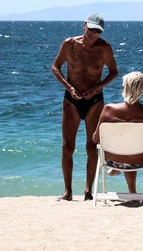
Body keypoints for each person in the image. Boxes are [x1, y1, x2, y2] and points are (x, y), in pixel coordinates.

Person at [51, 13, 118, 201]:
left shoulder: (104, 48)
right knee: (67, 146)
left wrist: (97, 88)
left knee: (92, 146)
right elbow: (55, 67)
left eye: (97, 31)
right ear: (84, 26)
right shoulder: (69, 44)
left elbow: (114, 72)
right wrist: (69, 87)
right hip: (71, 100)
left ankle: (88, 191)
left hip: (94, 101)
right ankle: (67, 191)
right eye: (91, 29)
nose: (93, 34)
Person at [93, 71, 143, 194]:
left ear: (124, 88)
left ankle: (118, 171)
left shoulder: (109, 109)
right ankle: (132, 193)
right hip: (140, 159)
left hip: (112, 159)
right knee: (133, 144)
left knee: (125, 142)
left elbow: (95, 139)